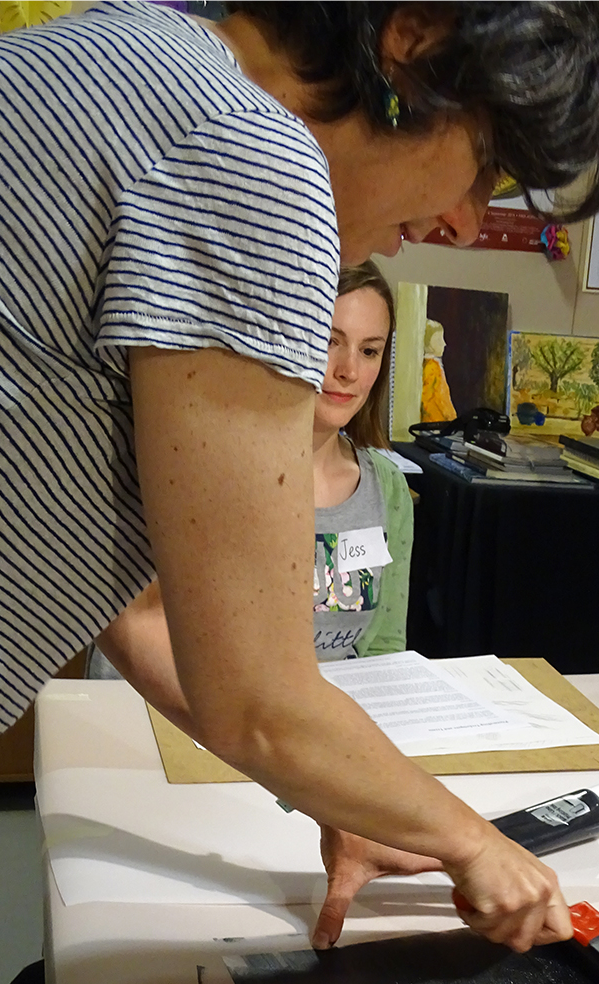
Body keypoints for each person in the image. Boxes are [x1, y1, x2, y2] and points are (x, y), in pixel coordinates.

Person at [0, 1, 599, 953]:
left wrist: (346, 799)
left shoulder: (132, 43)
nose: (466, 224)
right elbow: (257, 696)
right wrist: (474, 842)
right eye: (489, 166)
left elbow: (139, 617)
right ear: (413, 43)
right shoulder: (257, 159)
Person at [94, 261, 413, 723]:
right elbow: (137, 639)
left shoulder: (388, 488)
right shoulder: (211, 466)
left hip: (326, 736)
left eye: (369, 351)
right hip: (205, 725)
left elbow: (384, 652)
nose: (347, 371)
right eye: (330, 341)